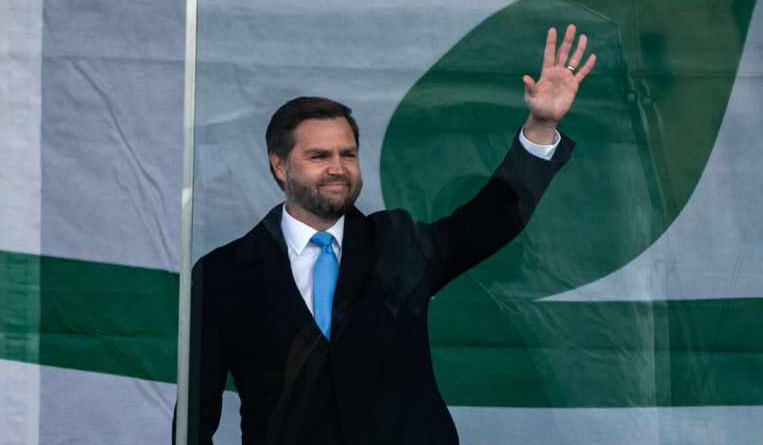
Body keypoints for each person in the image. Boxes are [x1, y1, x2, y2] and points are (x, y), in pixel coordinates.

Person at [179, 25, 596, 444]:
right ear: (279, 166)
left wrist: (540, 127)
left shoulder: (399, 243)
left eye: (348, 154)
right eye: (319, 156)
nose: (338, 168)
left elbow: (491, 219)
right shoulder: (222, 274)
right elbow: (195, 414)